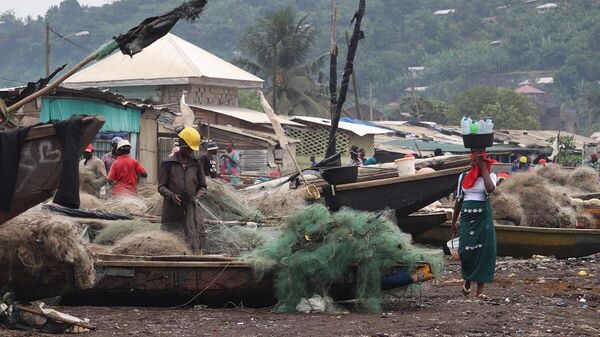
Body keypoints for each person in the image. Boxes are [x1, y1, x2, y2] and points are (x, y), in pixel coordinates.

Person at [451, 149, 498, 300]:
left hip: (483, 218)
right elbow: (459, 199)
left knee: (484, 251)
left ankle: (480, 291)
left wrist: (483, 169)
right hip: (466, 217)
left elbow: (490, 189)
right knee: (466, 249)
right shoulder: (463, 177)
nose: (475, 164)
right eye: (474, 162)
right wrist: (453, 221)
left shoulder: (490, 176)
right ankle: (467, 279)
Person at [158, 127, 207, 252]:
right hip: (172, 212)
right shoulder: (168, 163)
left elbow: (203, 186)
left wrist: (197, 197)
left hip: (192, 210)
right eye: (189, 148)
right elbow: (161, 186)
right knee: (170, 242)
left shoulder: (196, 164)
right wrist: (172, 196)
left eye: (192, 149)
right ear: (182, 145)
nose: (191, 151)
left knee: (192, 241)